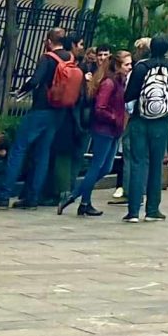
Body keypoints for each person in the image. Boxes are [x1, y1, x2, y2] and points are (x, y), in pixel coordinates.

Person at [0, 30, 78, 209]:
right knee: (43, 153)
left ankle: (4, 194)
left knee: (19, 148)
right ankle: (33, 197)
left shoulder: (47, 58)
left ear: (49, 41)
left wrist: (20, 91)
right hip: (58, 111)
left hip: (41, 108)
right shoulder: (70, 58)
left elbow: (35, 80)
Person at [123, 33, 168, 223]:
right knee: (156, 164)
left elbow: (128, 95)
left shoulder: (141, 67)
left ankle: (133, 211)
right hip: (161, 121)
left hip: (139, 120)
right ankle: (152, 210)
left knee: (137, 163)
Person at [65, 48, 128, 216]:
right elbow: (100, 108)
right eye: (127, 64)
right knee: (97, 166)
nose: (130, 67)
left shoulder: (120, 81)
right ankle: (81, 200)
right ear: (118, 65)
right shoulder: (109, 83)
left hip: (114, 130)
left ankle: (78, 197)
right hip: (104, 129)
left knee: (105, 168)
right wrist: (114, 118)